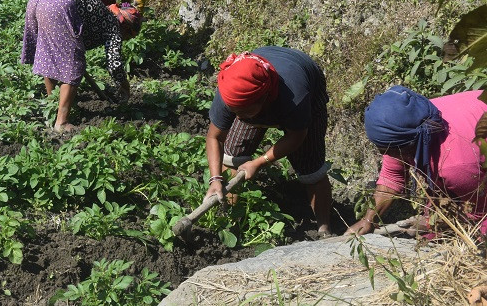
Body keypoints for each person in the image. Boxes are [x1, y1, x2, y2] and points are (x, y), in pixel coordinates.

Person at [204, 47, 333, 235]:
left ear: (264, 99)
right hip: (259, 95)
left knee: (311, 169)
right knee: (231, 158)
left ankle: (324, 228)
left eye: (243, 112)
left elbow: (297, 135)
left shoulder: (295, 97)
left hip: (306, 84)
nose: (237, 117)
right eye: (234, 111)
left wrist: (258, 162)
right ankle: (230, 220)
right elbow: (214, 137)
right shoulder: (230, 90)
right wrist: (215, 179)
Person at [346, 86, 487, 238]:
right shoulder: (407, 123)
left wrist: (433, 223)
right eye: (381, 148)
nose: (383, 154)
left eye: (386, 149)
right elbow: (391, 177)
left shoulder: (457, 165)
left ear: (409, 144)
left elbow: (479, 213)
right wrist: (368, 220)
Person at [21, 0, 140, 131]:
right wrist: (124, 85)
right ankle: (62, 122)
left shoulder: (103, 12)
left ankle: (52, 102)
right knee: (74, 65)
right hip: (60, 5)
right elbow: (114, 63)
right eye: (128, 36)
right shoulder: (114, 26)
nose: (125, 39)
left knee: (50, 54)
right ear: (126, 27)